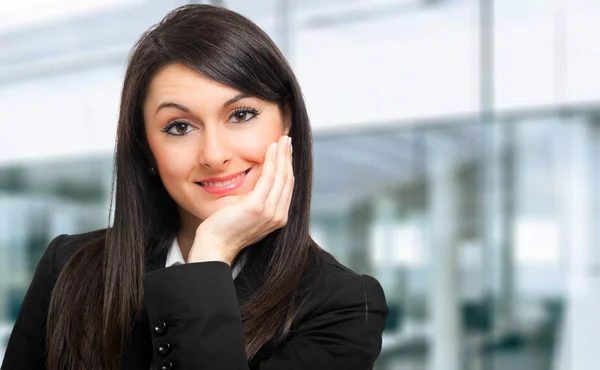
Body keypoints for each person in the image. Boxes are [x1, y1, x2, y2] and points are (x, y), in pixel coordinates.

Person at [1, 4, 388, 370]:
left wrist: (210, 257)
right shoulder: (68, 267)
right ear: (147, 148)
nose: (215, 155)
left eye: (241, 115)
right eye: (179, 127)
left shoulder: (343, 306)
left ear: (285, 120)